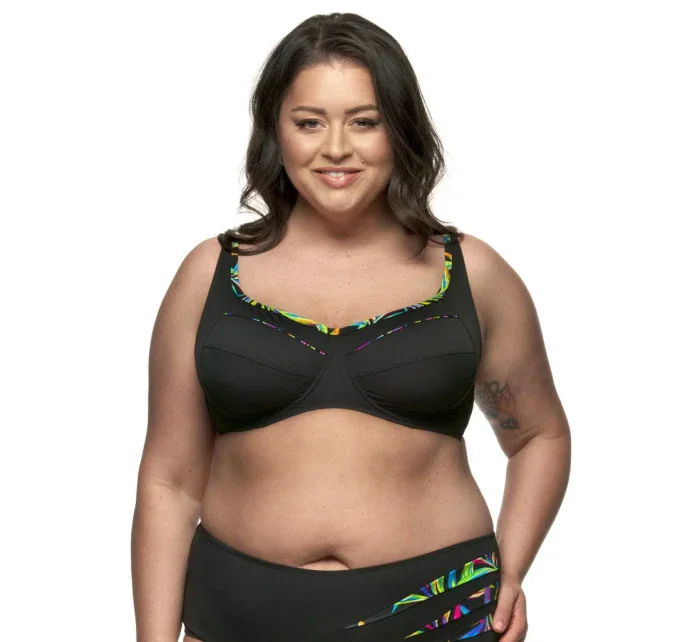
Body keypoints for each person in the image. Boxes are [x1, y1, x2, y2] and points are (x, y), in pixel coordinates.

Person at [131, 12, 571, 642]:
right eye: (309, 122)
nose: (336, 148)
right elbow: (169, 481)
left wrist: (511, 573)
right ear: (275, 131)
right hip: (237, 616)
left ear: (401, 128)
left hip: (438, 614)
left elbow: (538, 436)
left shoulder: (473, 274)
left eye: (365, 121)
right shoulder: (210, 273)